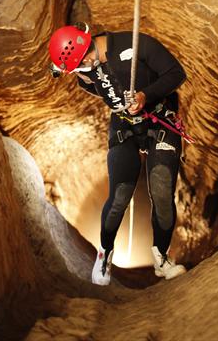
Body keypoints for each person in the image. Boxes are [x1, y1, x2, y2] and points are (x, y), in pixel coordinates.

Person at [49, 23, 187, 286]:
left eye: (80, 66)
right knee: (120, 194)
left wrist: (146, 95)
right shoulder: (86, 75)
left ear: (87, 53)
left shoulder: (135, 44)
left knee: (161, 189)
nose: (80, 73)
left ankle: (161, 256)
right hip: (125, 125)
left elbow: (175, 73)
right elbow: (96, 87)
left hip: (160, 119)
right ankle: (105, 252)